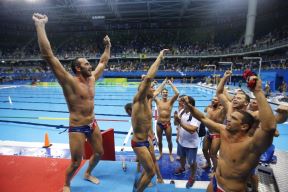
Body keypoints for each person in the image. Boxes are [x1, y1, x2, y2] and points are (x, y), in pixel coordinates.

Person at [33, 13, 111, 192]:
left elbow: (103, 61)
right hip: (77, 127)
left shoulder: (92, 78)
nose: (90, 65)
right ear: (77, 68)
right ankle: (67, 184)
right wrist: (40, 25)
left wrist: (108, 46)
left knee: (99, 153)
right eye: (85, 64)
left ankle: (88, 172)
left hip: (92, 123)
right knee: (76, 162)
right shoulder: (69, 81)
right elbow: (49, 56)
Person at [184, 77, 276, 192]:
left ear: (244, 126)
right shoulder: (224, 130)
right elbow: (203, 118)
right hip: (215, 183)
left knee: (253, 175)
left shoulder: (252, 145)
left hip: (231, 189)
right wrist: (190, 106)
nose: (228, 120)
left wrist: (257, 91)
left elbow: (270, 128)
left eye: (233, 118)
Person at [131, 49, 168, 192]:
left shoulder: (148, 98)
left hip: (147, 139)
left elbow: (156, 91)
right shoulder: (138, 100)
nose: (152, 88)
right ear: (142, 89)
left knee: (149, 169)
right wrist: (159, 57)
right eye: (150, 87)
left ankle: (138, 185)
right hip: (139, 142)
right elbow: (147, 79)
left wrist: (164, 83)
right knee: (151, 171)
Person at [174, 96, 201, 189]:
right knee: (181, 157)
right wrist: (175, 119)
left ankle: (192, 176)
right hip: (181, 141)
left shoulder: (195, 114)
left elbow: (193, 130)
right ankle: (182, 168)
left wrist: (180, 122)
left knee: (191, 162)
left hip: (191, 144)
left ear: (190, 104)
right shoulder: (182, 111)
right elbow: (176, 124)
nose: (182, 101)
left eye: (184, 100)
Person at [154, 80, 179, 161]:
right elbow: (154, 94)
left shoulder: (170, 101)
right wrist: (163, 83)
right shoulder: (158, 101)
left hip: (167, 124)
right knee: (159, 140)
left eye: (166, 92)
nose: (165, 93)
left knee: (169, 141)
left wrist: (170, 83)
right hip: (159, 124)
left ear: (167, 94)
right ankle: (160, 153)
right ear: (161, 94)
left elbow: (177, 93)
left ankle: (170, 154)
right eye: (163, 92)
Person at [201, 97, 225, 171]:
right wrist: (209, 106)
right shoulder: (209, 108)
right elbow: (205, 110)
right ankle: (208, 163)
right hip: (208, 132)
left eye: (215, 100)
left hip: (217, 134)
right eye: (212, 99)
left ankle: (215, 171)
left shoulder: (222, 110)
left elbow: (228, 104)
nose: (213, 101)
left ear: (219, 102)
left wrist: (222, 104)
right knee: (204, 149)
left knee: (213, 154)